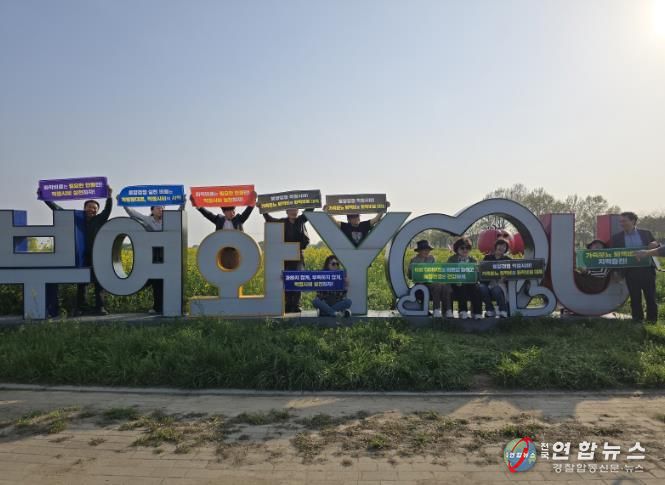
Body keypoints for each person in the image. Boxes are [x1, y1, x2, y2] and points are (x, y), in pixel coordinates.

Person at [41, 187, 114, 315]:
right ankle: (81, 307)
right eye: (89, 207)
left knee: (99, 282)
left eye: (94, 208)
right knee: (82, 282)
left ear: (97, 210)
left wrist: (109, 196)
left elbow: (107, 209)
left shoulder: (99, 219)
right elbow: (59, 210)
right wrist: (45, 198)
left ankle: (100, 307)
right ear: (84, 208)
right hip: (81, 255)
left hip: (97, 255)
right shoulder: (77, 218)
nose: (91, 209)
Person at [122, 202, 185, 314]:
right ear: (152, 210)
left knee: (170, 281)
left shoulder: (169, 220)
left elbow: (178, 213)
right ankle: (157, 307)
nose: (161, 209)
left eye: (163, 208)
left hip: (169, 254)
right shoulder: (147, 220)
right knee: (157, 282)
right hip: (154, 255)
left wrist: (182, 203)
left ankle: (173, 306)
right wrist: (123, 203)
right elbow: (133, 213)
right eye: (158, 208)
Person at [611, 212, 661, 322]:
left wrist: (655, 244)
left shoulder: (646, 233)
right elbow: (614, 256)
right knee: (634, 297)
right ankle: (637, 319)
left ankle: (652, 321)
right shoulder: (616, 238)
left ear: (633, 221)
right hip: (630, 271)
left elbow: (656, 244)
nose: (622, 223)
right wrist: (616, 272)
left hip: (647, 270)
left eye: (624, 221)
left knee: (650, 296)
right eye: (620, 221)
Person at [262, 207, 314, 313]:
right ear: (286, 212)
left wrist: (313, 201)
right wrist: (263, 209)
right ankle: (288, 304)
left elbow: (310, 209)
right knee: (287, 279)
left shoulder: (301, 220)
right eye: (291, 210)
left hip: (298, 255)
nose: (293, 212)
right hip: (285, 256)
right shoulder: (282, 222)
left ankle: (296, 304)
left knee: (298, 279)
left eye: (295, 210)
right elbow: (270, 219)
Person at [407, 239, 453, 318]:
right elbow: (410, 276)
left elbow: (435, 271)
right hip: (420, 283)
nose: (427, 251)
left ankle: (448, 310)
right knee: (436, 286)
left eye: (428, 250)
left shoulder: (431, 258)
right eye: (424, 250)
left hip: (431, 280)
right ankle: (436, 310)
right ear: (419, 251)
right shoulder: (414, 260)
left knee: (445, 286)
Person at [447, 236, 482, 319]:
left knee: (476, 288)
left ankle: (477, 312)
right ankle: (463, 311)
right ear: (457, 249)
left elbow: (478, 276)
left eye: (467, 248)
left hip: (471, 283)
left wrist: (477, 272)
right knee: (461, 286)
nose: (465, 250)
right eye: (462, 248)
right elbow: (447, 272)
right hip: (456, 283)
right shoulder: (452, 259)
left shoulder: (473, 260)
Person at [324, 204, 390, 247]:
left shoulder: (364, 225)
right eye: (354, 217)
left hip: (363, 253)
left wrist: (384, 206)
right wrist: (326, 211)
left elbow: (376, 219)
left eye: (357, 216)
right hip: (350, 253)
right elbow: (334, 222)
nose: (357, 218)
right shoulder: (345, 226)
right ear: (348, 220)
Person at [190, 191, 257, 231]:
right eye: (230, 211)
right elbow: (207, 214)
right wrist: (197, 204)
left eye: (233, 210)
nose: (233, 213)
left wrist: (253, 199)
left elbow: (248, 211)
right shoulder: (218, 219)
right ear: (224, 212)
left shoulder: (239, 219)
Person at [479, 238, 510, 318]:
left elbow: (511, 273)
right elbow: (482, 271)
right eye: (500, 245)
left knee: (496, 290)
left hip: (500, 284)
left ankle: (503, 310)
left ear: (506, 249)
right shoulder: (487, 258)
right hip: (487, 283)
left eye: (504, 246)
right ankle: (490, 310)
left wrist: (505, 278)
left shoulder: (508, 259)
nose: (501, 247)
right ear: (496, 246)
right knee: (482, 288)